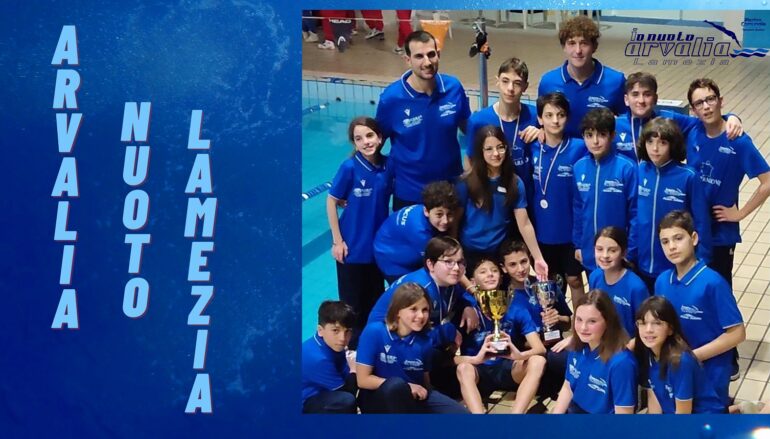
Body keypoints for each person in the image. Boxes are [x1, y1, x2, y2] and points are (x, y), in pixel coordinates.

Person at [684, 78, 770, 288]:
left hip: (720, 235)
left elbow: (767, 181)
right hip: (693, 229)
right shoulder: (693, 131)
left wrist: (740, 214)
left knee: (718, 290)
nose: (706, 106)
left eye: (711, 99)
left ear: (720, 101)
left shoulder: (738, 141)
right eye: (699, 103)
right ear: (693, 110)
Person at [368, 236, 479, 398]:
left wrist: (469, 306)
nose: (456, 268)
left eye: (460, 262)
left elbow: (461, 293)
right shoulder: (423, 290)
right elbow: (410, 336)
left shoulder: (444, 280)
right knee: (438, 347)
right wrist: (448, 331)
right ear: (430, 264)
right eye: (448, 262)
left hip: (408, 339)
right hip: (388, 348)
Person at [655, 210, 746, 407]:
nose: (672, 247)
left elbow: (737, 333)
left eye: (678, 238)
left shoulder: (712, 283)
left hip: (709, 375)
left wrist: (693, 357)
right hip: (676, 372)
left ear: (694, 238)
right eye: (665, 241)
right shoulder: (662, 281)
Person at [376, 30, 471, 210]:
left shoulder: (453, 88)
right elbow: (373, 144)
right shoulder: (392, 99)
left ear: (438, 55)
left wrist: (475, 165)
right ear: (407, 60)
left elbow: (470, 129)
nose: (427, 62)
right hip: (410, 193)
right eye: (419, 56)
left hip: (450, 189)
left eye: (431, 54)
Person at [326, 117, 393, 349]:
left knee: (375, 304)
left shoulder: (388, 166)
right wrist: (337, 241)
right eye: (359, 138)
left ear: (380, 137)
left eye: (370, 135)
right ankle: (352, 354)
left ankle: (372, 351)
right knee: (352, 310)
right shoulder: (349, 167)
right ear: (354, 143)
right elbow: (331, 201)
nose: (366, 142)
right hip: (352, 250)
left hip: (377, 249)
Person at [357, 282, 469, 413]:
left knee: (461, 415)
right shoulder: (374, 331)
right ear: (398, 311)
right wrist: (407, 387)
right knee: (396, 386)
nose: (421, 316)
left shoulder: (425, 342)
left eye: (425, 310)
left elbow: (425, 383)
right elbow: (363, 380)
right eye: (413, 309)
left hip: (412, 398)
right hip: (378, 398)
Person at [456, 257, 547, 414]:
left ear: (501, 277)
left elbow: (540, 349)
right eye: (483, 272)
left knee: (538, 361)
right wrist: (476, 359)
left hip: (508, 368)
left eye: (494, 271)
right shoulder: (467, 311)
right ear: (472, 281)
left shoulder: (515, 307)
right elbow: (450, 359)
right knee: (463, 368)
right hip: (478, 371)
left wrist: (519, 355)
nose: (490, 274)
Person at [456, 125, 547, 279]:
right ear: (480, 151)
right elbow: (455, 222)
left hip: (498, 251)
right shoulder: (466, 183)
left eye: (500, 147)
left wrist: (538, 258)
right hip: (470, 252)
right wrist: (456, 256)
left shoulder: (515, 182)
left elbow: (524, 223)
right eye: (489, 149)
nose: (496, 154)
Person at [633, 117, 711, 292]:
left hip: (675, 264)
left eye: (662, 143)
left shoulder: (688, 176)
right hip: (642, 261)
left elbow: (702, 222)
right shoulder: (640, 171)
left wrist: (702, 260)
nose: (655, 148)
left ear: (672, 145)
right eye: (650, 142)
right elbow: (634, 215)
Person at [530, 92, 588, 304]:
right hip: (542, 230)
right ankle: (551, 321)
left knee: (574, 280)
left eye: (560, 115)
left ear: (568, 117)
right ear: (539, 119)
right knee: (547, 280)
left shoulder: (579, 147)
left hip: (569, 230)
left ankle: (578, 323)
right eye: (549, 115)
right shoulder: (532, 145)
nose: (555, 120)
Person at [612, 72, 743, 162]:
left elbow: (703, 119)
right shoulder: (615, 125)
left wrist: (730, 117)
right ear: (626, 99)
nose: (641, 100)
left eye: (647, 94)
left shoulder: (669, 119)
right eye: (635, 94)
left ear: (656, 98)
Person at [500, 240, 571, 402]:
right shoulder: (503, 298)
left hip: (556, 348)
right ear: (504, 268)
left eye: (523, 261)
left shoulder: (547, 286)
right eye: (513, 264)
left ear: (530, 259)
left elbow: (568, 322)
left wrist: (558, 318)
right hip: (530, 356)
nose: (520, 269)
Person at [464, 58, 541, 205]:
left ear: (525, 87)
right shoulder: (478, 120)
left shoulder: (535, 116)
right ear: (497, 81)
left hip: (528, 197)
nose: (510, 88)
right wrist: (476, 194)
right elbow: (470, 159)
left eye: (517, 83)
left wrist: (542, 133)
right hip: (494, 199)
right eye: (505, 81)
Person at [633, 296, 725, 414]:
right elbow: (655, 398)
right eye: (642, 323)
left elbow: (683, 415)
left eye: (657, 323)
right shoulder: (648, 353)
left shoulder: (680, 362)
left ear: (670, 329)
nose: (648, 330)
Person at [538, 15, 625, 138]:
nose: (578, 50)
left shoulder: (616, 81)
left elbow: (627, 124)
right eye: (571, 43)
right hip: (563, 150)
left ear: (594, 46)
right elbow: (540, 122)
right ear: (564, 47)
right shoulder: (548, 82)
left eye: (584, 43)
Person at [572, 108, 637, 272]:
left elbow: (635, 214)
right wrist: (578, 244)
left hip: (618, 254)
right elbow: (578, 209)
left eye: (601, 135)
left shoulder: (627, 168)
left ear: (612, 135)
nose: (595, 141)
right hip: (590, 251)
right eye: (589, 135)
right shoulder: (579, 167)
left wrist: (630, 250)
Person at [551, 290, 637, 414]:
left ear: (608, 322)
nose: (583, 328)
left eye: (592, 321)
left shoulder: (621, 363)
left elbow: (624, 415)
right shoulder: (577, 346)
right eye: (579, 319)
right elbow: (568, 386)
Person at [373, 181, 459, 283]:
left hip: (399, 243)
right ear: (426, 211)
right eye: (439, 215)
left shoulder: (429, 208)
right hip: (391, 259)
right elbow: (439, 263)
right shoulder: (420, 233)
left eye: (449, 214)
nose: (445, 221)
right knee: (415, 289)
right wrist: (469, 286)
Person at [588, 226, 649, 338]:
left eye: (612, 250)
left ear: (624, 253)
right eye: (599, 249)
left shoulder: (636, 287)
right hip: (601, 339)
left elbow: (646, 326)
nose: (605, 255)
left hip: (628, 344)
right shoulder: (594, 277)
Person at [302, 301, 358, 414]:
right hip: (306, 404)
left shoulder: (332, 344)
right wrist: (354, 370)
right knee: (347, 400)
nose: (342, 338)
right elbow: (347, 393)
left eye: (347, 331)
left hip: (325, 393)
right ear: (320, 330)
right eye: (335, 330)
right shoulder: (318, 359)